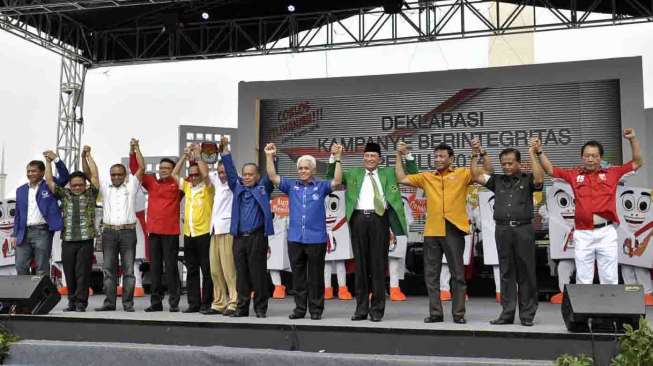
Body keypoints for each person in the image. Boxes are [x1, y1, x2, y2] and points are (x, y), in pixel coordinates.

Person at [536, 128, 643, 285]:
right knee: (584, 277)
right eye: (587, 156)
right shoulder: (574, 175)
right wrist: (539, 152)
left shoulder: (612, 173)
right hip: (582, 233)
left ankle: (610, 308)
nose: (590, 159)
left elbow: (637, 162)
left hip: (606, 232)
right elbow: (550, 170)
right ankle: (584, 309)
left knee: (609, 277)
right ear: (582, 157)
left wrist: (632, 139)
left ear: (600, 157)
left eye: (594, 156)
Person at [326, 142, 417, 322]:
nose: (369, 159)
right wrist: (335, 157)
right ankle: (361, 309)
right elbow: (331, 177)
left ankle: (377, 310)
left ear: (380, 159)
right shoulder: (354, 173)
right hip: (359, 219)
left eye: (373, 156)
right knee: (360, 266)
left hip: (380, 219)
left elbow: (412, 175)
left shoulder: (388, 173)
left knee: (378, 265)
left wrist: (406, 155)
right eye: (366, 156)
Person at [395, 141, 484, 324]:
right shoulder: (427, 177)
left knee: (458, 274)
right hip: (432, 230)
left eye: (442, 156)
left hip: (454, 228)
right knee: (431, 275)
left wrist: (476, 154)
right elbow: (401, 178)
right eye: (436, 156)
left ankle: (458, 314)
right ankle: (436, 313)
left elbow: (480, 174)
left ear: (451, 158)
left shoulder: (462, 173)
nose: (438, 159)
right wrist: (399, 155)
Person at [265, 142, 343, 320]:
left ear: (313, 170)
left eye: (306, 168)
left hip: (316, 239)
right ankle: (300, 309)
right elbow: (272, 176)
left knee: (315, 277)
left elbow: (337, 181)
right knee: (298, 277)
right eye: (300, 168)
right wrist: (269, 156)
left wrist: (338, 159)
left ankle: (316, 310)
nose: (302, 171)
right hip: (295, 238)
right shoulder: (291, 186)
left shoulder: (321, 186)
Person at [471, 138, 544, 327]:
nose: (507, 166)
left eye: (510, 163)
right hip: (502, 229)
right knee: (506, 272)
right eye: (503, 163)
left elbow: (539, 179)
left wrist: (532, 153)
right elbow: (476, 175)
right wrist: (475, 154)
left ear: (519, 163)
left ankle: (527, 315)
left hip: (523, 229)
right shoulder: (497, 180)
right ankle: (507, 313)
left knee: (526, 272)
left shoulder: (527, 179)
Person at [221, 136, 274, 318]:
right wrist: (225, 148)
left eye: (251, 174)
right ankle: (242, 308)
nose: (247, 177)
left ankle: (260, 308)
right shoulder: (237, 187)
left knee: (258, 273)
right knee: (242, 275)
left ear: (257, 176)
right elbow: (230, 170)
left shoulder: (263, 187)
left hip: (257, 237)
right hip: (238, 238)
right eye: (245, 174)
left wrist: (270, 156)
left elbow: (271, 174)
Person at [94, 140, 144, 312]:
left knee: (128, 270)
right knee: (108, 269)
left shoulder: (131, 185)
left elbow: (142, 168)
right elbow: (91, 175)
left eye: (119, 174)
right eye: (113, 174)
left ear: (125, 175)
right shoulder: (105, 188)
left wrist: (136, 149)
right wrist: (87, 157)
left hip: (128, 232)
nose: (116, 177)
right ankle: (109, 303)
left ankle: (128, 304)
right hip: (108, 232)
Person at [47, 146, 99, 312]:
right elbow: (49, 181)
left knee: (82, 273)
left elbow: (95, 175)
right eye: (74, 185)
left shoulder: (91, 194)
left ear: (85, 184)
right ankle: (71, 302)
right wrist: (48, 162)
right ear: (70, 185)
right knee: (69, 273)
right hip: (68, 239)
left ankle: (81, 303)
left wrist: (88, 156)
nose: (77, 187)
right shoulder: (64, 194)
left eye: (80, 185)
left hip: (86, 240)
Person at [11, 151, 69, 276]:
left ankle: (41, 296)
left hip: (42, 231)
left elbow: (65, 177)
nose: (30, 173)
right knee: (20, 266)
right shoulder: (21, 190)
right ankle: (24, 295)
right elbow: (18, 214)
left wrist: (56, 160)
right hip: (23, 233)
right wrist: (14, 234)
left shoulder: (48, 185)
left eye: (34, 171)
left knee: (42, 267)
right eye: (28, 171)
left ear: (42, 172)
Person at [140, 148, 183, 313]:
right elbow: (137, 168)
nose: (163, 170)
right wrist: (134, 150)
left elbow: (189, 176)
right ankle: (156, 302)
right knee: (155, 269)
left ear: (173, 170)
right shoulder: (152, 183)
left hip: (170, 233)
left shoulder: (178, 185)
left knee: (171, 268)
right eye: (161, 168)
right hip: (154, 233)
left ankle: (174, 302)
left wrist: (187, 156)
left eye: (167, 168)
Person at [175, 144, 215, 313]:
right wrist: (184, 157)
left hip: (204, 234)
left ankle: (207, 304)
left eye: (195, 175)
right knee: (191, 270)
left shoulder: (208, 188)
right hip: (189, 234)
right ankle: (193, 304)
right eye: (190, 175)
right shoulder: (187, 187)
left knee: (206, 271)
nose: (193, 178)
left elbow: (205, 174)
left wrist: (198, 156)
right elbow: (174, 174)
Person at [205, 157, 237, 316]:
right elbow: (205, 173)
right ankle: (219, 302)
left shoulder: (235, 183)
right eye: (219, 172)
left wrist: (225, 152)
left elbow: (230, 172)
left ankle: (233, 302)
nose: (222, 175)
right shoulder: (218, 182)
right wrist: (198, 156)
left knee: (229, 270)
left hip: (227, 230)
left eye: (224, 172)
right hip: (214, 230)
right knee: (215, 270)